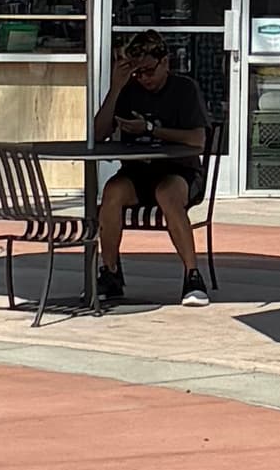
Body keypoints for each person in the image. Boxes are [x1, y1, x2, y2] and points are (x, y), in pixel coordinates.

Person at [89, 32, 215, 305]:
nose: (144, 79)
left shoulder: (184, 89)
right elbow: (97, 136)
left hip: (179, 170)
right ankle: (110, 272)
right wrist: (116, 88)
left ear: (165, 63)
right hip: (138, 172)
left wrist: (150, 129)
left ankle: (192, 275)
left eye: (149, 71)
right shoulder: (129, 90)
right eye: (138, 73)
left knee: (168, 195)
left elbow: (198, 140)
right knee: (112, 192)